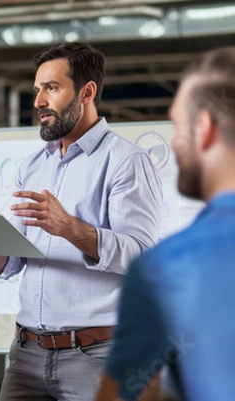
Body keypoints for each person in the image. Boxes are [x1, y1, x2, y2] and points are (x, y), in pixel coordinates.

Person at [0, 42, 163, 400]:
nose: (38, 102)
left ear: (87, 92)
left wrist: (69, 228)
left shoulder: (126, 162)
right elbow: (15, 261)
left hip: (98, 356)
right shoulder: (32, 166)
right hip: (27, 354)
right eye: (37, 90)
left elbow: (142, 256)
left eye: (52, 88)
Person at [96, 47, 235, 401]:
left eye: (177, 126)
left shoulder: (164, 269)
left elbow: (120, 395)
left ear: (203, 127)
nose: (174, 143)